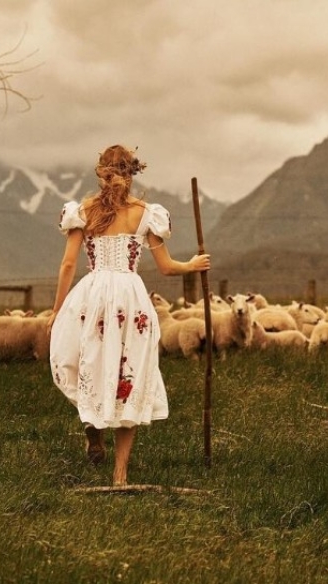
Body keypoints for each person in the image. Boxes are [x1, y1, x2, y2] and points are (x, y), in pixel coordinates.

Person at [48, 144, 210, 486]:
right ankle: (119, 475)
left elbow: (67, 265)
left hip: (93, 296)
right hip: (131, 299)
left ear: (100, 173)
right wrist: (192, 265)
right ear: (132, 173)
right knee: (129, 374)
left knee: (90, 362)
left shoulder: (83, 211)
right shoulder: (146, 213)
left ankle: (93, 429)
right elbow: (166, 267)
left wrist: (57, 310)